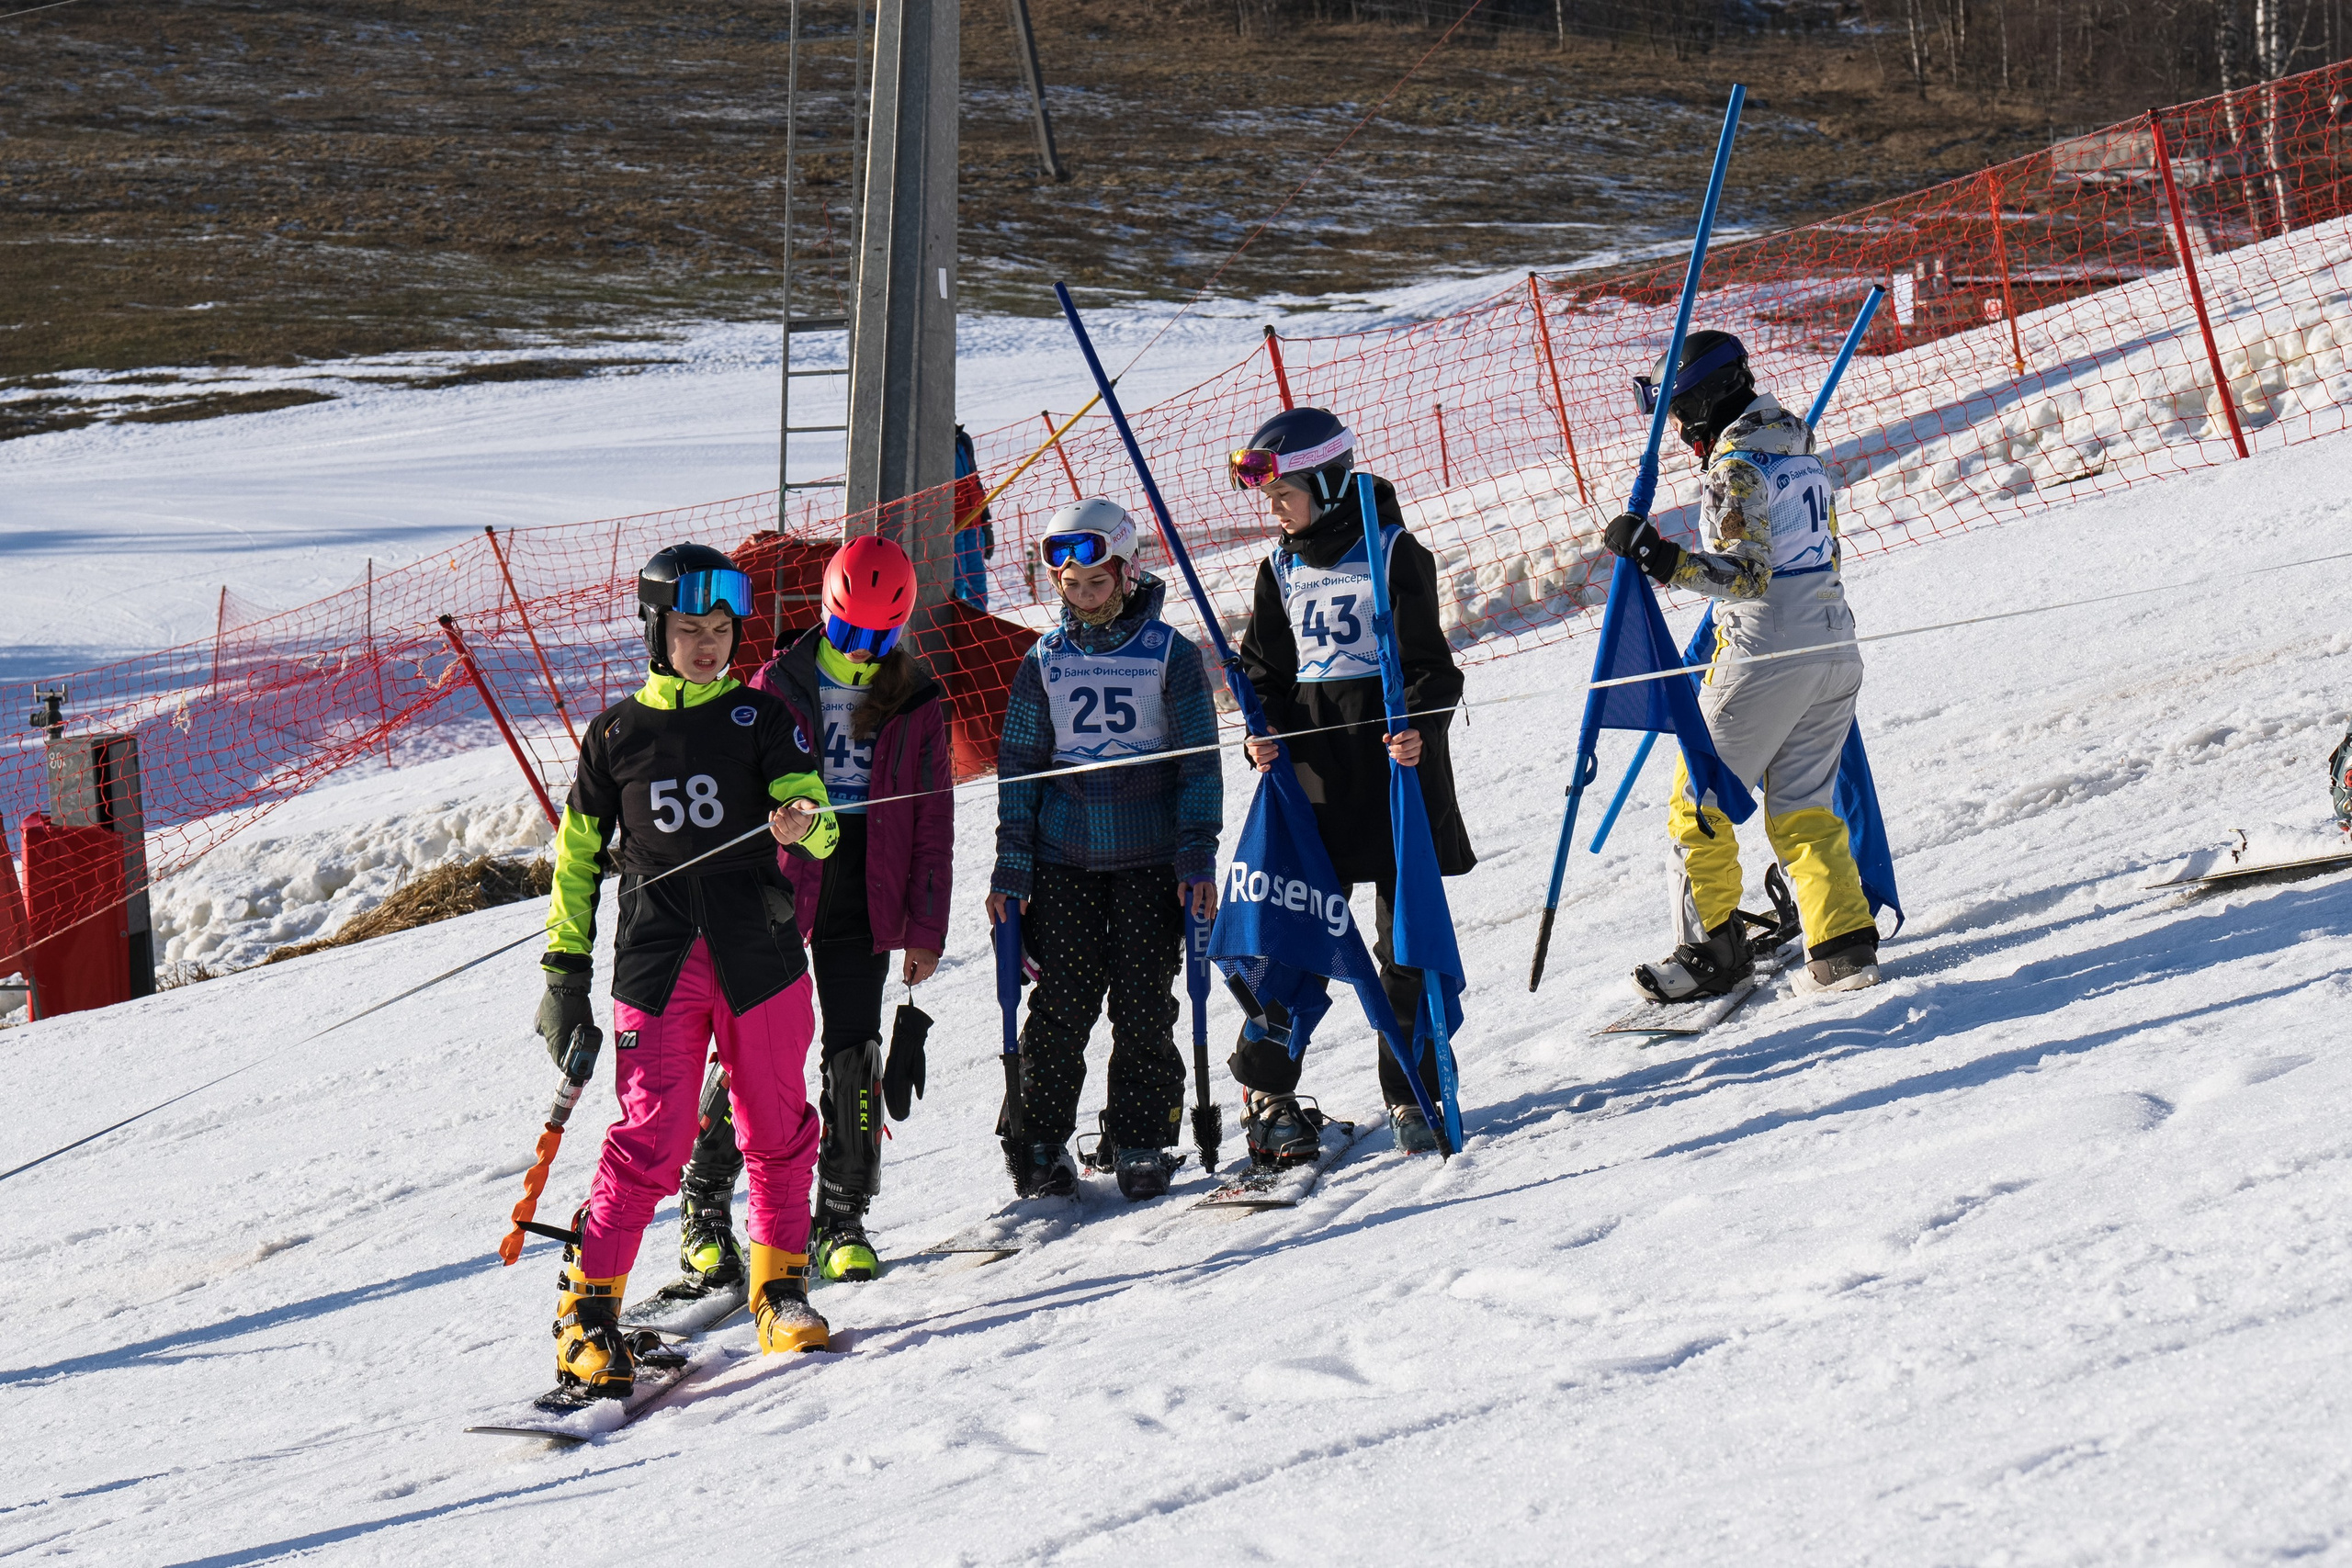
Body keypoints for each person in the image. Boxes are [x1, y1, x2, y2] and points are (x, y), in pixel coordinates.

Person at [532, 542, 839, 1397]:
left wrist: (802, 820)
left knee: (776, 1123)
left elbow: (823, 826)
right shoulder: (617, 735)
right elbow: (578, 863)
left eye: (720, 629)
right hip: (660, 960)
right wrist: (564, 968)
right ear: (654, 632)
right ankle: (587, 1316)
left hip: (761, 952)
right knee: (652, 1136)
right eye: (688, 629)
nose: (707, 645)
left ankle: (779, 1291)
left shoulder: (761, 716)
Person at [670, 535, 953, 1286]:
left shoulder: (919, 698)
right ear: (825, 612)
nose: (861, 650)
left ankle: (843, 1215)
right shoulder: (777, 681)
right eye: (847, 631)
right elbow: (736, 791)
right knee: (757, 1048)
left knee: (854, 1052)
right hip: (783, 883)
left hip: (870, 882)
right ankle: (704, 1201)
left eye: (877, 637)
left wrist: (926, 927)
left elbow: (934, 819)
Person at [1606, 329, 1880, 999]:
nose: (1677, 430)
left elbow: (1748, 575)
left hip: (1768, 653)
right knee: (1804, 806)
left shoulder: (1737, 462)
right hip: (1834, 645)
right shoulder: (1798, 450)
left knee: (1698, 799)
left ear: (1707, 398)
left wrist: (1662, 559)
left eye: (1679, 411)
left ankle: (1711, 951)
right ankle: (1842, 945)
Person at [1231, 407, 1474, 1161]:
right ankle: (1269, 1089)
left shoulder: (1395, 551)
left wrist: (1421, 724)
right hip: (1315, 773)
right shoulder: (1279, 567)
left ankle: (1412, 1086)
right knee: (1295, 927)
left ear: (1330, 482)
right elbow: (1263, 672)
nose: (1275, 511)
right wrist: (1259, 730)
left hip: (1392, 767)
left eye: (1285, 495)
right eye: (1269, 500)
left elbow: (1434, 667)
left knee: (1403, 940)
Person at [986, 499, 1221, 1202]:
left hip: (1150, 859)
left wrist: (1196, 856)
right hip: (1066, 860)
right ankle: (1039, 1136)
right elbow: (1020, 765)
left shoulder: (1168, 653)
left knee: (1146, 1000)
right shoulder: (1045, 659)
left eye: (1097, 583)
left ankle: (1141, 1133)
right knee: (1062, 1001)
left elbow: (1199, 766)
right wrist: (1012, 866)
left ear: (1126, 573)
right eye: (1071, 586)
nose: (1084, 599)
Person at [953, 423, 994, 608]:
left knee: (977, 583)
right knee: (955, 584)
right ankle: (954, 631)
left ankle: (979, 628)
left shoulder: (963, 440)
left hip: (974, 522)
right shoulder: (934, 443)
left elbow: (975, 480)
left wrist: (986, 523)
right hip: (951, 528)